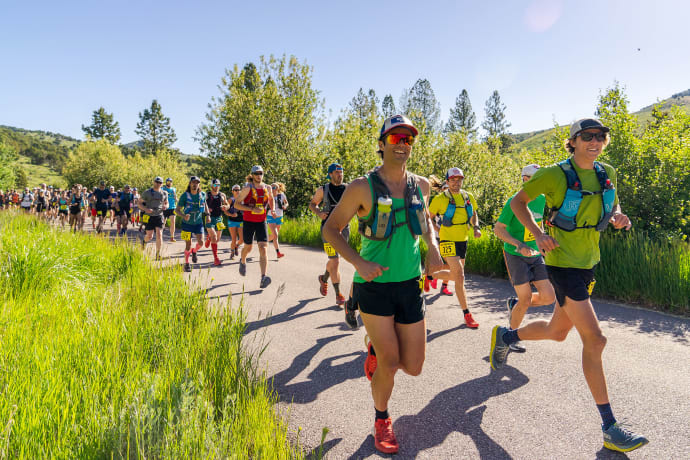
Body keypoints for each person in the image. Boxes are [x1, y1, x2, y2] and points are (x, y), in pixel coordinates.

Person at [489, 118, 648, 453]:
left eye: (600, 136)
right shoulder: (553, 173)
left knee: (557, 331)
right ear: (573, 141)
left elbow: (612, 202)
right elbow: (518, 203)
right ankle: (609, 427)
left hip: (588, 263)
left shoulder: (608, 173)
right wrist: (537, 234)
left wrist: (619, 215)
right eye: (587, 137)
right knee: (596, 338)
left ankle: (507, 336)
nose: (595, 141)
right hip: (562, 265)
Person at [323, 115, 442, 454]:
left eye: (408, 139)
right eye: (395, 139)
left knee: (415, 367)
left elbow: (426, 220)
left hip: (410, 284)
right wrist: (359, 262)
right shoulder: (362, 186)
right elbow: (330, 230)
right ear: (381, 144)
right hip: (373, 285)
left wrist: (431, 246)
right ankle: (381, 419)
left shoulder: (422, 185)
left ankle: (374, 348)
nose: (402, 144)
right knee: (390, 363)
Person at [493, 164, 556, 352]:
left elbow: (537, 225)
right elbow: (498, 230)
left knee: (548, 297)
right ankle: (510, 337)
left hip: (535, 254)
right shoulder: (514, 201)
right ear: (525, 179)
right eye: (537, 179)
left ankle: (515, 305)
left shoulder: (542, 199)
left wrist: (542, 242)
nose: (540, 184)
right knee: (526, 297)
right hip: (515, 255)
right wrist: (518, 245)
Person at [426, 167, 482, 328]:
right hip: (447, 240)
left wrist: (476, 227)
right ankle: (467, 314)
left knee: (456, 275)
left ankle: (429, 275)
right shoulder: (440, 199)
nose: (456, 183)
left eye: (459, 180)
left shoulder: (467, 196)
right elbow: (427, 218)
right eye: (453, 180)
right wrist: (437, 230)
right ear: (447, 181)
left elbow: (473, 213)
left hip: (462, 239)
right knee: (460, 275)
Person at [309, 163, 349, 307]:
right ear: (330, 174)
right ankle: (338, 294)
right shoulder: (323, 189)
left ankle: (323, 279)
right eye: (337, 172)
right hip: (328, 230)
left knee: (334, 261)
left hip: (344, 229)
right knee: (335, 260)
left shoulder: (348, 188)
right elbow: (312, 204)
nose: (340, 174)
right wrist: (319, 213)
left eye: (341, 171)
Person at [234, 165, 274, 289]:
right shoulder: (247, 188)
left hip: (262, 221)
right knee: (248, 247)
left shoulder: (268, 188)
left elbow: (271, 199)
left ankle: (263, 277)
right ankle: (242, 260)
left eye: (260, 173)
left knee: (263, 248)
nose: (258, 175)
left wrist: (271, 210)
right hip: (248, 221)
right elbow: (237, 204)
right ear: (252, 175)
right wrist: (252, 209)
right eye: (256, 173)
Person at [175, 176, 206, 272]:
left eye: (197, 183)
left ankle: (194, 251)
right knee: (188, 244)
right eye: (193, 182)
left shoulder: (202, 194)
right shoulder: (185, 195)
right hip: (186, 224)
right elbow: (177, 210)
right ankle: (187, 263)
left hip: (198, 222)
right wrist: (183, 216)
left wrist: (208, 215)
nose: (195, 184)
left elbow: (205, 205)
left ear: (199, 184)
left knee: (201, 242)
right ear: (190, 184)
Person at [139, 177, 169, 260]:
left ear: (162, 184)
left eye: (160, 183)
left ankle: (158, 254)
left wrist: (165, 206)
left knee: (159, 235)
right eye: (157, 182)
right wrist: (145, 209)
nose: (158, 184)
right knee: (150, 236)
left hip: (159, 216)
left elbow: (167, 203)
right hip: (149, 216)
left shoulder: (164, 193)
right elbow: (139, 203)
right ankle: (144, 241)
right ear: (154, 182)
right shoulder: (147, 192)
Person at [204, 179, 231, 266]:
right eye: (215, 185)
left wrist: (225, 207)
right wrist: (207, 210)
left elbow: (228, 205)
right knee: (214, 236)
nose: (216, 187)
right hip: (209, 218)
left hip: (219, 218)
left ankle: (209, 237)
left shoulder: (222, 195)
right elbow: (202, 205)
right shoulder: (207, 195)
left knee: (217, 239)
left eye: (218, 185)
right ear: (211, 186)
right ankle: (216, 258)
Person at [267, 182, 288, 258]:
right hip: (271, 216)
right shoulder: (268, 196)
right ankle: (278, 253)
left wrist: (285, 206)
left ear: (278, 189)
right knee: (275, 235)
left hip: (280, 217)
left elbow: (286, 203)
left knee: (274, 236)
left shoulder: (282, 195)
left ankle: (264, 241)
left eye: (274, 188)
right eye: (271, 187)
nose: (272, 189)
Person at [227, 184, 244, 259]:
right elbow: (225, 211)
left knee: (242, 240)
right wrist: (231, 215)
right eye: (236, 190)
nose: (237, 191)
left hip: (241, 221)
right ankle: (232, 252)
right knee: (234, 239)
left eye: (239, 190)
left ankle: (236, 246)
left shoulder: (243, 199)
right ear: (232, 191)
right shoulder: (231, 200)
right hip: (232, 221)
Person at [162, 178, 178, 242]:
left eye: (170, 182)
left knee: (173, 222)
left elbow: (175, 197)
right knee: (163, 222)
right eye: (168, 182)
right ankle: (160, 235)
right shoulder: (163, 189)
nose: (169, 183)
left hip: (172, 207)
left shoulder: (174, 189)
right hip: (165, 207)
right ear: (166, 182)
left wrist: (178, 201)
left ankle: (172, 237)